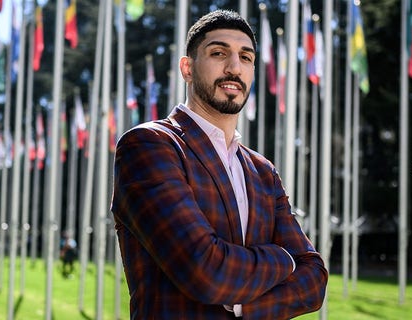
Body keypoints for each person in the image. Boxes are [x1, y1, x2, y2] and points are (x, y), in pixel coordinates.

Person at [111, 9, 328, 319]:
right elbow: (205, 271)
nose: (233, 67)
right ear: (187, 68)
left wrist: (242, 304)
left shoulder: (263, 171)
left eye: (246, 57)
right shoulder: (150, 145)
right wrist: (285, 258)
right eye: (218, 53)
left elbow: (315, 281)